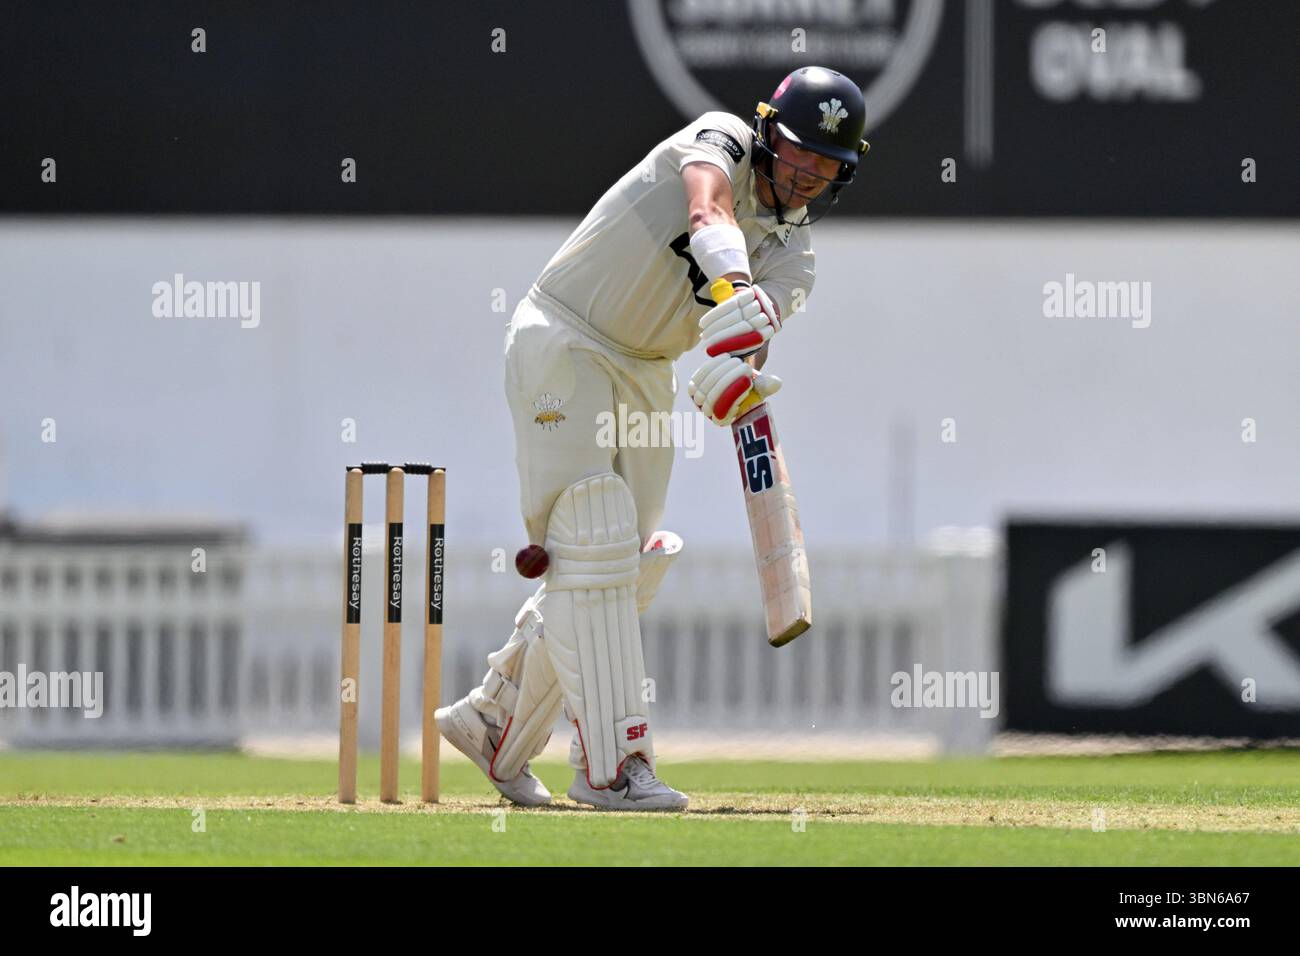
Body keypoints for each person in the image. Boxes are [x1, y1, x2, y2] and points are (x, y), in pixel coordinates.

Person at [436, 66, 869, 810]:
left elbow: (749, 344)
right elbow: (706, 213)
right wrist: (735, 292)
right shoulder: (720, 140)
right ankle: (614, 768)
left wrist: (740, 368)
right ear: (767, 132)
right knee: (593, 536)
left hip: (646, 374)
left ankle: (495, 722)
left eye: (825, 164)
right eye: (797, 151)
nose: (805, 174)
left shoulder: (797, 260)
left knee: (618, 567)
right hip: (565, 336)